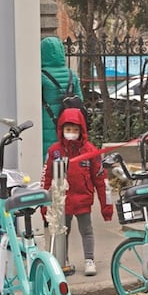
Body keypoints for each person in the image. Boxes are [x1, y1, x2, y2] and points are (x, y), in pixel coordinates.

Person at [42, 107, 113, 277]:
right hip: (62, 202)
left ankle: (89, 260)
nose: (71, 133)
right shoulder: (54, 151)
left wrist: (106, 207)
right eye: (68, 130)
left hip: (83, 200)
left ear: (82, 130)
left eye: (75, 130)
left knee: (87, 231)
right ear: (62, 130)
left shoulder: (90, 151)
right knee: (61, 233)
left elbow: (100, 179)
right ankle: (62, 261)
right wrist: (44, 206)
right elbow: (46, 178)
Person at [40, 36, 84, 156]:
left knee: (48, 153)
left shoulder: (41, 76)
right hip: (68, 121)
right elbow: (80, 100)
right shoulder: (71, 74)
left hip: (47, 121)